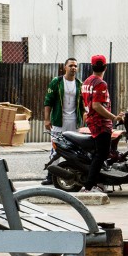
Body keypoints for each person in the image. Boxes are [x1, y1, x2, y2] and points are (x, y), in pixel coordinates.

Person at [80, 54, 122, 193]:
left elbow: (85, 103)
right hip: (100, 124)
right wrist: (114, 117)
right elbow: (97, 106)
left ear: (92, 66)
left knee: (100, 154)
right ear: (105, 67)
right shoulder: (100, 83)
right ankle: (89, 186)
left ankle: (97, 182)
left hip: (92, 122)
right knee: (102, 154)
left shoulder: (86, 82)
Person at [42, 57, 84, 185]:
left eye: (75, 66)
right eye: (71, 65)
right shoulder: (57, 82)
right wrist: (47, 119)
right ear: (65, 67)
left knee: (73, 149)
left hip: (74, 122)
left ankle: (72, 173)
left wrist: (85, 117)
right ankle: (51, 176)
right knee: (56, 148)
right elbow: (48, 101)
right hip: (58, 121)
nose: (73, 68)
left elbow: (83, 105)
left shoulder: (79, 84)